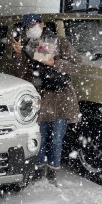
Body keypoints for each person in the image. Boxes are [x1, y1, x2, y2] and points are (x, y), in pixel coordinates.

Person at [12, 13, 82, 185]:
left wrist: (55, 63)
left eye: (34, 24)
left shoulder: (59, 42)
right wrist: (19, 54)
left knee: (56, 138)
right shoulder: (28, 46)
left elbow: (77, 64)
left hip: (60, 98)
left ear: (42, 24)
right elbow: (22, 74)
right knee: (40, 137)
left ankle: (52, 172)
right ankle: (39, 170)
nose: (31, 29)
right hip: (40, 97)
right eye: (27, 27)